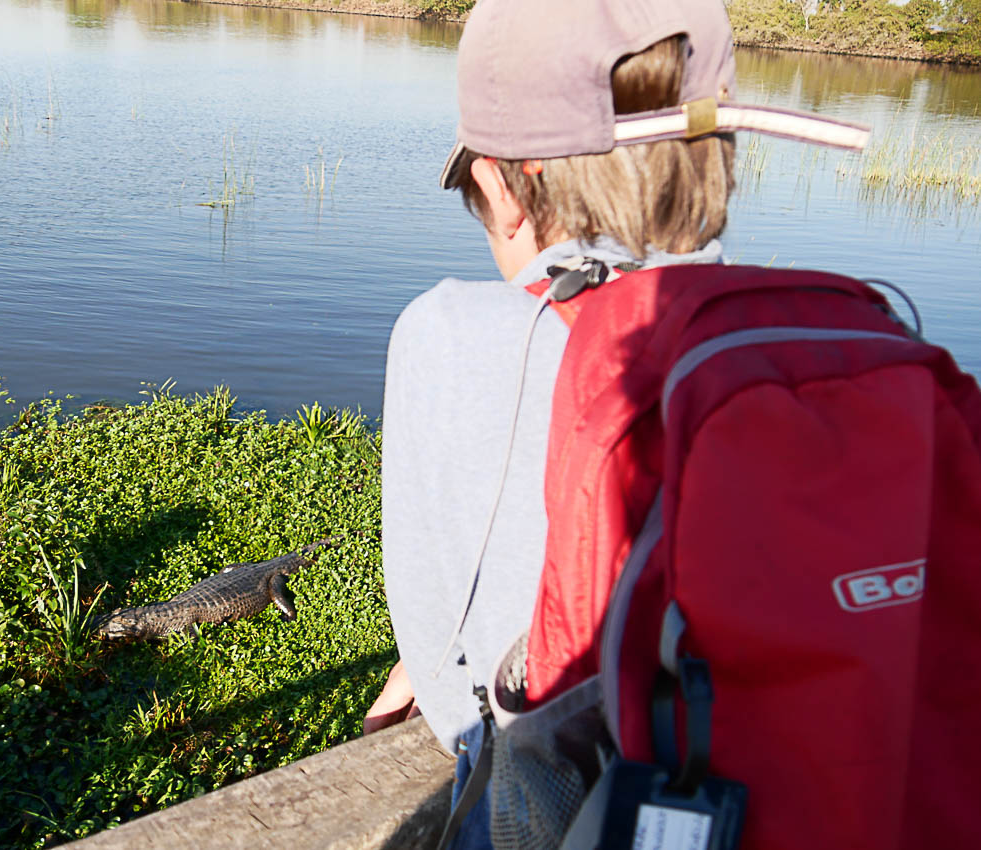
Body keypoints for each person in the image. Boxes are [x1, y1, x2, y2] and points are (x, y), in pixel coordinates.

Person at [363, 0, 871, 846]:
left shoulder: (444, 330)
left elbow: (446, 664)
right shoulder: (810, 335)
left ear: (501, 186)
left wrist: (444, 654)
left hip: (573, 805)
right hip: (815, 788)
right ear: (720, 160)